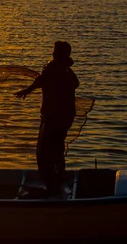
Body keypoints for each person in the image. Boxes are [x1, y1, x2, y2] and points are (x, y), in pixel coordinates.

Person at [15, 41, 79, 197]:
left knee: (44, 153)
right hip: (65, 117)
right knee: (57, 149)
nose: (53, 53)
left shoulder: (56, 68)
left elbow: (42, 81)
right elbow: (75, 84)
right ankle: (57, 180)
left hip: (54, 118)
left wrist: (27, 90)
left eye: (55, 51)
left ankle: (52, 186)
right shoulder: (64, 69)